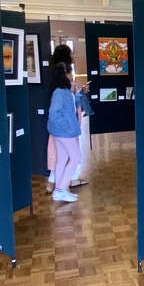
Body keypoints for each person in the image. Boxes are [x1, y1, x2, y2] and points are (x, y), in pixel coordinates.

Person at [46, 44, 88, 193]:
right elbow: (64, 99)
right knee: (72, 154)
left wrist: (76, 91)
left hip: (63, 124)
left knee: (61, 153)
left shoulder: (53, 74)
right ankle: (61, 185)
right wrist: (76, 90)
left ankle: (56, 183)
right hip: (65, 124)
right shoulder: (63, 75)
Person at [47, 63, 82, 202]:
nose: (71, 75)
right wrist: (66, 127)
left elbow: (71, 108)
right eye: (69, 72)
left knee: (62, 159)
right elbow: (53, 113)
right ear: (64, 74)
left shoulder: (64, 91)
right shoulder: (60, 92)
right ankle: (61, 189)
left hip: (61, 132)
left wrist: (77, 94)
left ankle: (59, 190)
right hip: (64, 133)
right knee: (75, 157)